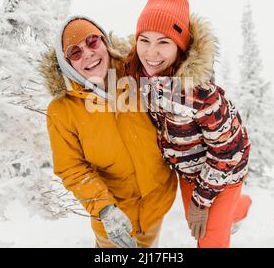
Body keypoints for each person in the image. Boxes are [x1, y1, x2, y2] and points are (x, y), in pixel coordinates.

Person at [125, 0, 252, 248]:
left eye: (163, 42)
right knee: (194, 219)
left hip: (224, 169)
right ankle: (236, 209)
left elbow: (227, 152)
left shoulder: (201, 94)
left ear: (180, 48)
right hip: (188, 171)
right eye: (144, 40)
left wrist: (201, 201)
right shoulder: (142, 76)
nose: (151, 52)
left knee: (207, 239)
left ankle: (234, 202)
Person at [40, 16, 177, 248]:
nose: (88, 54)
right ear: (66, 64)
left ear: (104, 42)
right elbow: (71, 168)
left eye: (92, 42)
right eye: (75, 52)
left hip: (156, 203)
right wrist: (105, 209)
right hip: (114, 218)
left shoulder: (136, 74)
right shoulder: (62, 110)